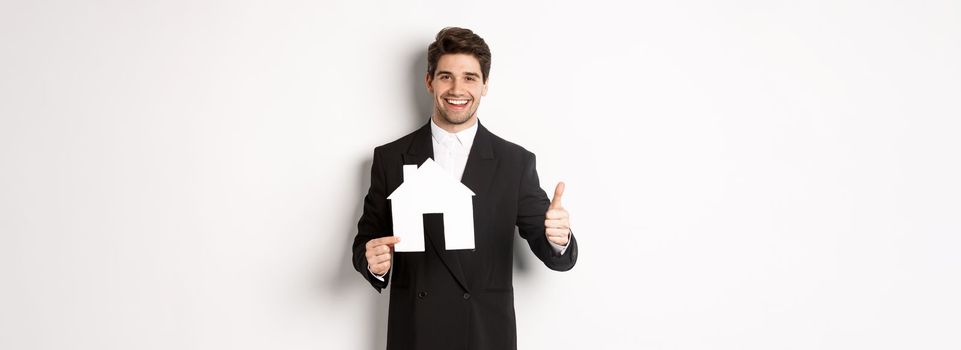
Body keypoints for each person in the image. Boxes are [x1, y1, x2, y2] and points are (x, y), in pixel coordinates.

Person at [352, 27, 578, 350]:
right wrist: (371, 261)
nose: (457, 89)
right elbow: (365, 242)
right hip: (416, 334)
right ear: (429, 82)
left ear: (485, 85)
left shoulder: (514, 163)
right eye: (446, 76)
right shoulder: (389, 159)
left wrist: (559, 239)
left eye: (470, 78)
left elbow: (554, 253)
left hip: (485, 336)